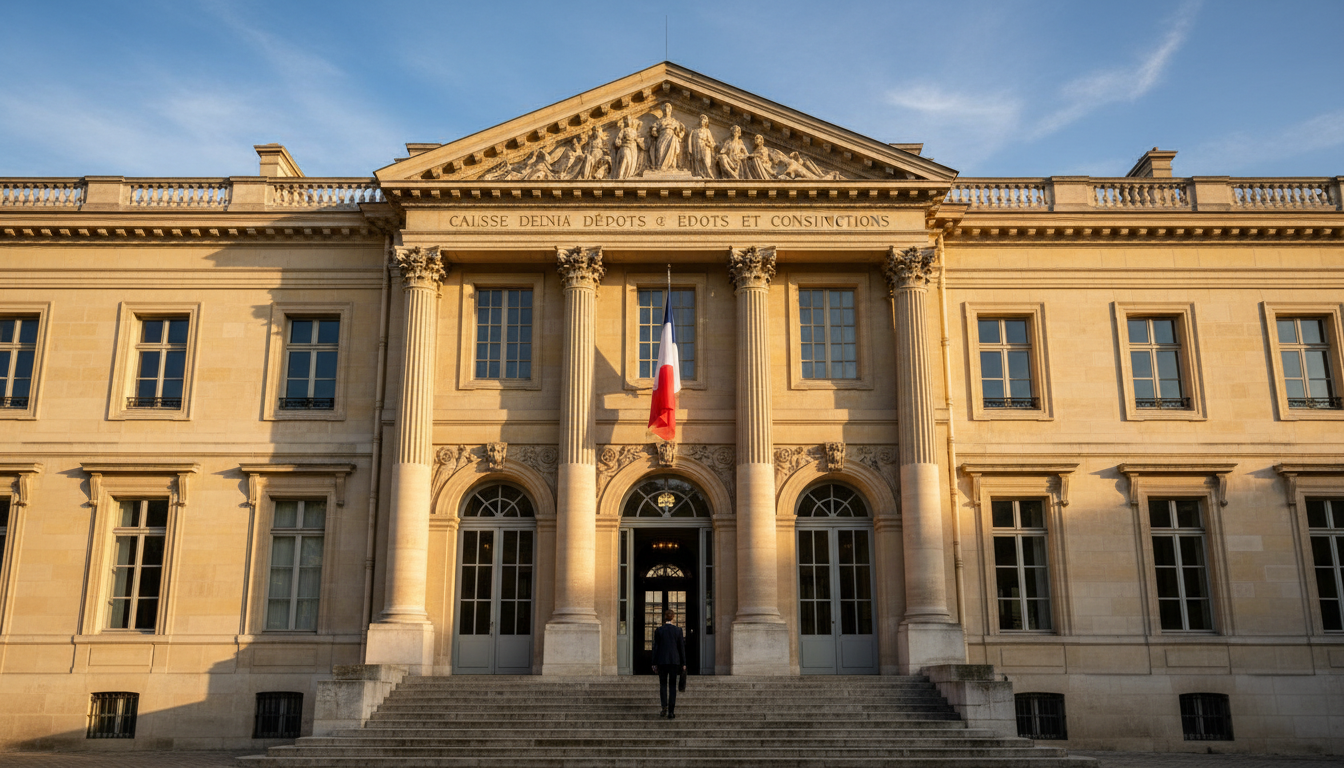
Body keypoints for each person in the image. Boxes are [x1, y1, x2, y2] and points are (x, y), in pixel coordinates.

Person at [650, 607, 686, 719]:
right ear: (673, 617)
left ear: (665, 617)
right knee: (672, 686)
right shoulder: (678, 630)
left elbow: (655, 647)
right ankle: (671, 711)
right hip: (674, 661)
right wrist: (684, 663)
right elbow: (681, 648)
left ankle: (664, 707)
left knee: (663, 685)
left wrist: (654, 663)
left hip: (662, 661)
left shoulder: (659, 630)